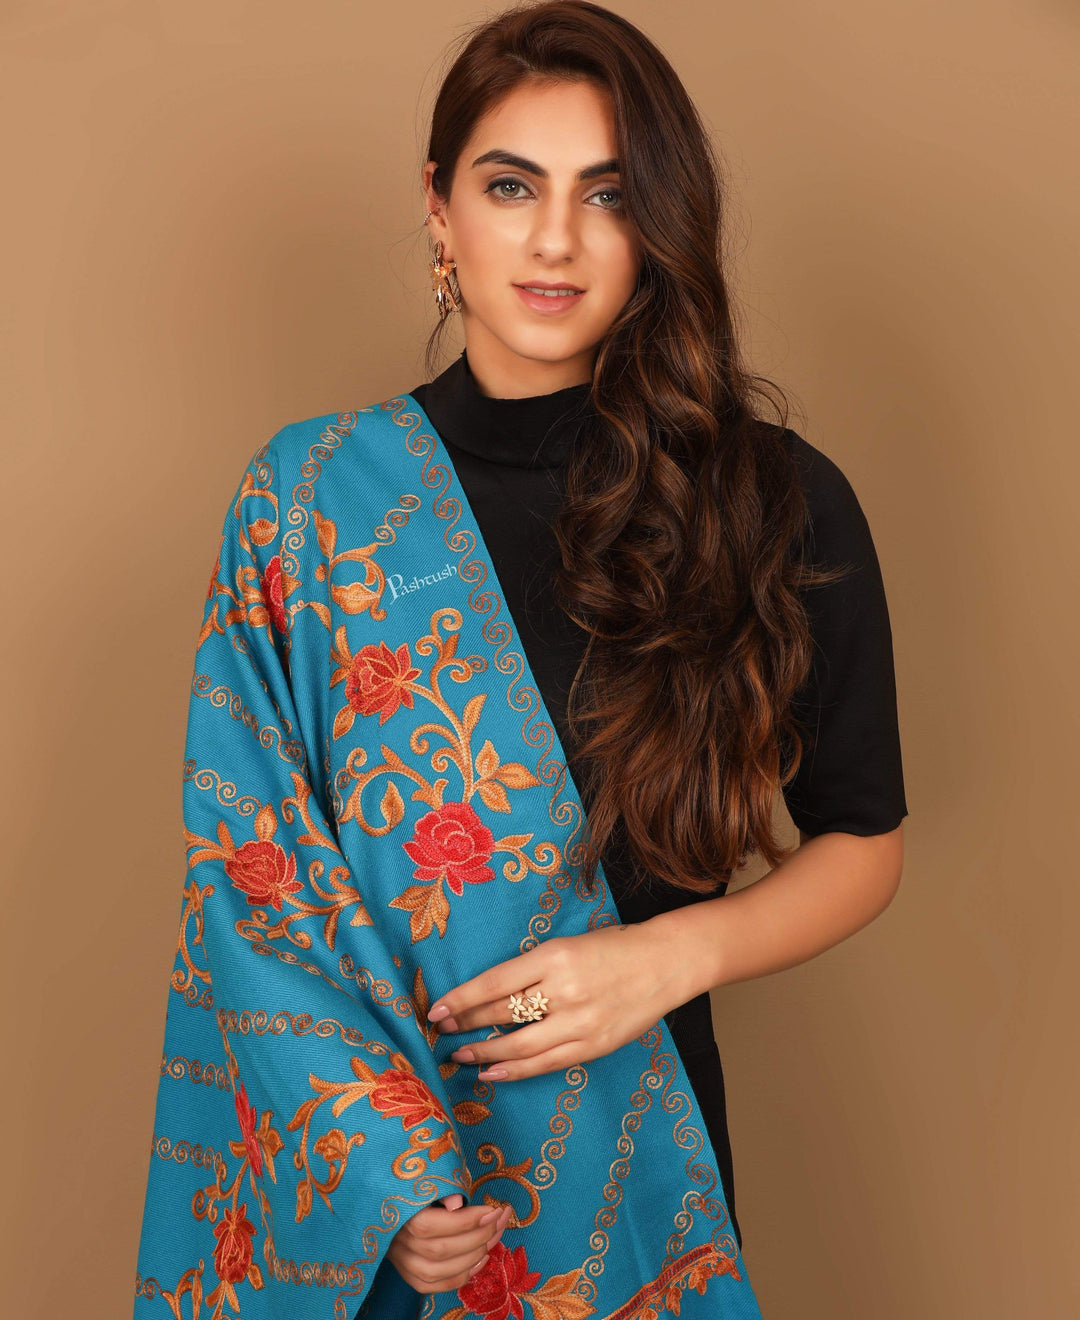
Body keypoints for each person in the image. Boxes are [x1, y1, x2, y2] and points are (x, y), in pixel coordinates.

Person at [133, 3, 906, 1316]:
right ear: (439, 208)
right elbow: (253, 879)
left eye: (608, 195)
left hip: (638, 1170)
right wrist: (376, 1181)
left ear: (657, 228)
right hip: (387, 1193)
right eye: (511, 186)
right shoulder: (307, 502)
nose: (555, 238)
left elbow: (863, 841)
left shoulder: (765, 501)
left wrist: (668, 959)